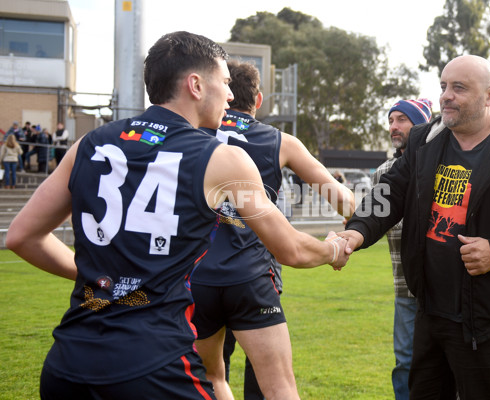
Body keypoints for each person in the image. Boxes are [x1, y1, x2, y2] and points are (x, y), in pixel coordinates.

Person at [6, 31, 348, 400]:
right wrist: (332, 249)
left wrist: (105, 279)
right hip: (152, 366)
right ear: (196, 85)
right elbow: (291, 250)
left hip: (67, 365)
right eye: (225, 82)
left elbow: (21, 236)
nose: (231, 95)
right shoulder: (222, 159)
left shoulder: (89, 144)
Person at [338, 55, 490, 400]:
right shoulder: (425, 141)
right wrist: (357, 231)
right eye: (443, 86)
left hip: (488, 321)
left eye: (459, 88)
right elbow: (390, 191)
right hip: (429, 310)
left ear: (489, 96)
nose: (446, 96)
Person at [190, 59, 355, 400]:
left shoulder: (190, 135)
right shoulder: (281, 142)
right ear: (259, 100)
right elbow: (344, 202)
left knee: (210, 379)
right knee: (276, 385)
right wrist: (347, 228)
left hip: (196, 276)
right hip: (252, 276)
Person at [372, 98, 432, 400]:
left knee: (452, 364)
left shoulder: (444, 166)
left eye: (402, 120)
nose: (394, 127)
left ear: (421, 125)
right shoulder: (383, 172)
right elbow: (375, 219)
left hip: (448, 288)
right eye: (391, 120)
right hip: (406, 287)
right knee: (405, 363)